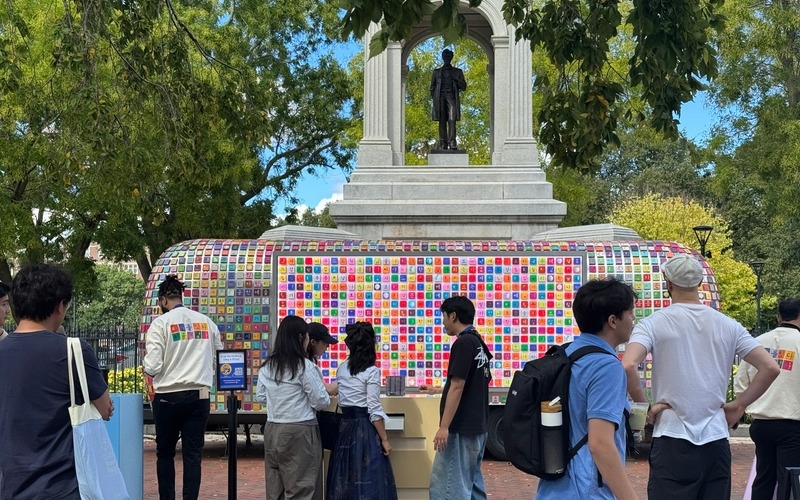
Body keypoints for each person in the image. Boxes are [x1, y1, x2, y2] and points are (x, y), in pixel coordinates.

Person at [622, 253, 779, 500]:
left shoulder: (652, 324)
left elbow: (629, 364)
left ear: (668, 283)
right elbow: (770, 368)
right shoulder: (729, 325)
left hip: (671, 432)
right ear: (699, 283)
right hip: (715, 434)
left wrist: (647, 408)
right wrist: (739, 405)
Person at [0, 264, 113, 500]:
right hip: (64, 487)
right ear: (60, 306)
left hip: (10, 486)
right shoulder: (73, 351)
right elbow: (105, 409)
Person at [535, 277, 639, 500]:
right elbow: (600, 444)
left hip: (554, 489)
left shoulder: (568, 355)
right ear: (613, 320)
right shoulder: (607, 366)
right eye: (630, 312)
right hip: (588, 491)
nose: (633, 319)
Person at [143, 274, 224, 500]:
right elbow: (219, 357)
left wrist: (146, 367)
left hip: (168, 396)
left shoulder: (160, 324)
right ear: (180, 295)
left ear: (162, 300)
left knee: (165, 453)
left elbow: (154, 364)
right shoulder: (206, 322)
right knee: (192, 455)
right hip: (199, 396)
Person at [421, 295, 492, 500]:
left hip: (461, 428)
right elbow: (473, 384)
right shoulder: (478, 342)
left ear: (453, 316)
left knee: (448, 487)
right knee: (472, 484)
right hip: (478, 427)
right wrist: (437, 390)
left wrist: (444, 426)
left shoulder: (462, 344)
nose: (443, 322)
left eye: (443, 316)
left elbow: (458, 386)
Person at [256, 315, 331, 500]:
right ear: (301, 338)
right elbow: (321, 401)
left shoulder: (267, 366)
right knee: (302, 489)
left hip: (273, 429)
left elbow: (261, 397)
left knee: (276, 490)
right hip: (301, 431)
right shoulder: (304, 366)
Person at [734, 298, 800, 500]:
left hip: (761, 423)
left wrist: (742, 406)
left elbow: (741, 383)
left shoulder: (757, 343)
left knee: (764, 476)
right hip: (792, 423)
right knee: (788, 479)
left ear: (778, 316)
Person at [327, 321, 397, 500]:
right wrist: (385, 439)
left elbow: (342, 402)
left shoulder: (342, 369)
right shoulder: (371, 371)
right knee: (370, 482)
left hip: (344, 429)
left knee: (344, 481)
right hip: (364, 431)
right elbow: (374, 410)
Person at [430, 48, 467, 150]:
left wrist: (457, 80)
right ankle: (443, 142)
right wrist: (435, 98)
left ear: (451, 57)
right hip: (440, 98)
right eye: (445, 56)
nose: (446, 58)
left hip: (451, 97)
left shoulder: (457, 72)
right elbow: (432, 87)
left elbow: (464, 87)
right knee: (442, 120)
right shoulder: (436, 72)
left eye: (448, 56)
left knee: (452, 119)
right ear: (442, 57)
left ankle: (452, 141)